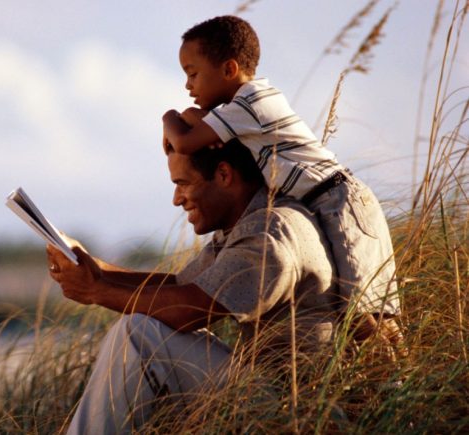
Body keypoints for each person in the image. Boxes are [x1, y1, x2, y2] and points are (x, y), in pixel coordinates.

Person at [47, 140, 341, 434]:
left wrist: (95, 291)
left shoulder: (269, 235)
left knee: (139, 334)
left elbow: (190, 310)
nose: (177, 199)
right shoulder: (248, 222)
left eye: (183, 183)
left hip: (295, 408)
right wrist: (97, 269)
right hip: (268, 393)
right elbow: (180, 285)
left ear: (224, 175)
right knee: (141, 331)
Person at [161, 16, 400, 323]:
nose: (187, 85)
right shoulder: (252, 101)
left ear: (229, 69)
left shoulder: (247, 106)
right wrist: (187, 117)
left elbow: (184, 141)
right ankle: (396, 366)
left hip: (339, 202)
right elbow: (196, 119)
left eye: (193, 74)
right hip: (330, 198)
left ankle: (397, 369)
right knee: (363, 310)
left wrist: (167, 116)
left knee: (364, 314)